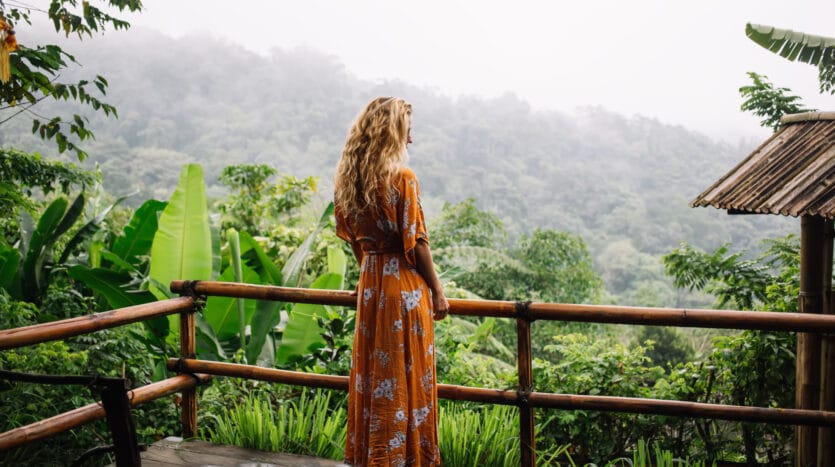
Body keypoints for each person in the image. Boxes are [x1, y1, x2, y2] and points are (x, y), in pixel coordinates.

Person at [334, 96, 449, 466]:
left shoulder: (348, 179)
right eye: (408, 130)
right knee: (407, 375)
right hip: (402, 290)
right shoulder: (403, 178)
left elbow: (353, 237)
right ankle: (407, 458)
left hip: (371, 288)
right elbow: (415, 242)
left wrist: (367, 270)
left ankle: (377, 457)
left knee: (375, 374)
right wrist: (437, 290)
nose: (411, 139)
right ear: (394, 132)